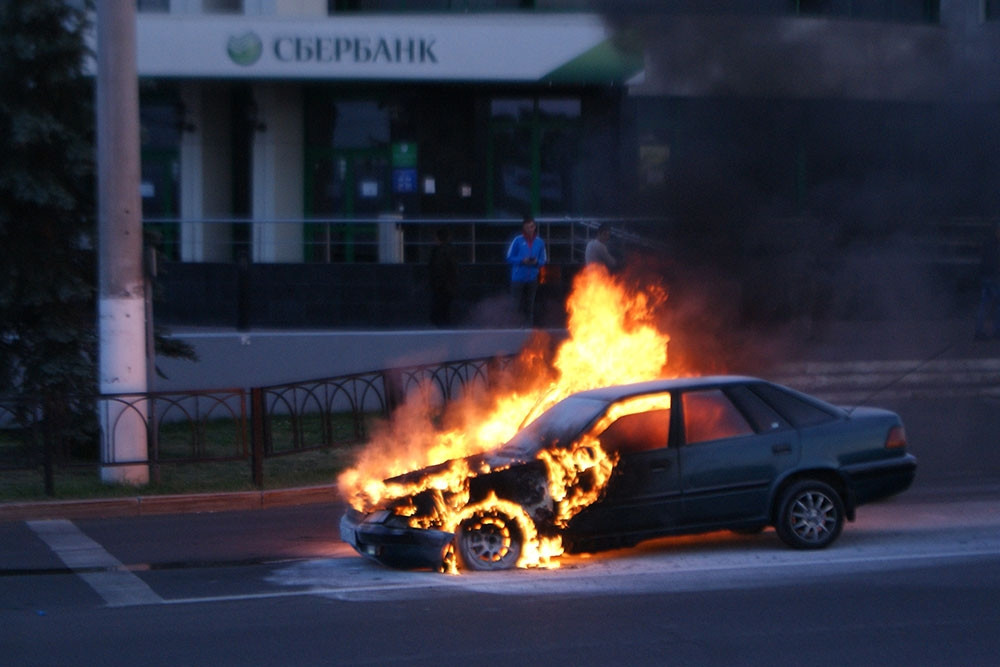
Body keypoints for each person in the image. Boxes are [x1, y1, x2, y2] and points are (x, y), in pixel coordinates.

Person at [506, 214, 547, 327]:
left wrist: (536, 262)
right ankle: (513, 327)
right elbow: (509, 257)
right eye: (528, 226)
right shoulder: (517, 240)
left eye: (533, 226)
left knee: (530, 305)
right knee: (515, 304)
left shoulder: (540, 242)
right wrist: (522, 260)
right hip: (518, 278)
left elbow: (543, 259)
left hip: (532, 277)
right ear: (524, 227)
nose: (531, 229)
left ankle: (528, 328)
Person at [974, 221, 1000, 340]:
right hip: (993, 278)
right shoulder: (994, 245)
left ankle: (979, 331)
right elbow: (993, 262)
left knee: (984, 305)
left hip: (986, 277)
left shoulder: (987, 243)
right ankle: (996, 331)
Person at [428, 227, 458, 327]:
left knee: (439, 312)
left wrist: (437, 284)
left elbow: (438, 269)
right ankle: (445, 330)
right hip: (448, 286)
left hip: (442, 286)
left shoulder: (439, 252)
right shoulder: (451, 250)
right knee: (444, 311)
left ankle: (443, 329)